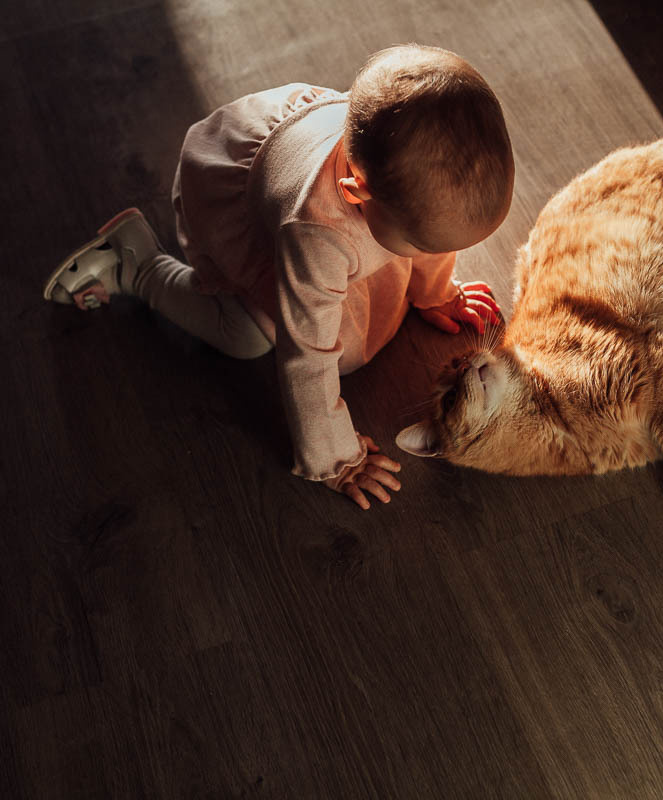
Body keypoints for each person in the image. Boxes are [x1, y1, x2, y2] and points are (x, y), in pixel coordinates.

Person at [44, 44, 514, 509]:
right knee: (246, 336)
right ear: (356, 192)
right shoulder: (315, 233)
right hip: (244, 214)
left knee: (406, 245)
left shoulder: (395, 159)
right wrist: (335, 457)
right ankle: (140, 265)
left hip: (296, 163)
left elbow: (430, 240)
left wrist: (434, 294)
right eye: (425, 247)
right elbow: (307, 356)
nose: (440, 254)